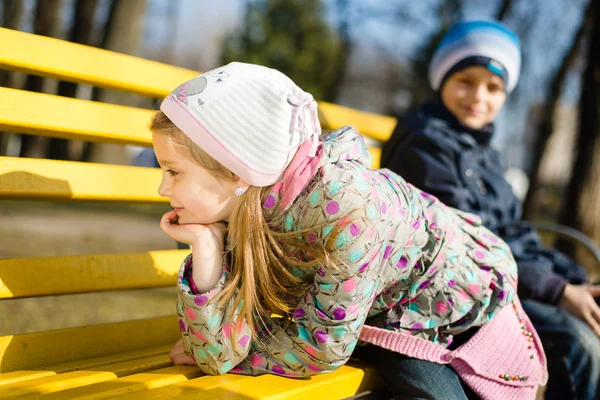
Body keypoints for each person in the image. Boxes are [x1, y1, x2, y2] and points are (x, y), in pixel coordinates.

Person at [151, 61, 546, 399]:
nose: (162, 189)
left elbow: (320, 347)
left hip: (447, 296)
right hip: (368, 305)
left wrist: (240, 354)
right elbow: (218, 354)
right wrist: (206, 247)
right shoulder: (239, 208)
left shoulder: (346, 210)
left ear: (236, 168)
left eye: (173, 171)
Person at [381, 20, 600, 400]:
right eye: (465, 80)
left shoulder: (483, 152)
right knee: (578, 342)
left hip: (494, 279)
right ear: (442, 79)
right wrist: (557, 290)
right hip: (452, 287)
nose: (478, 96)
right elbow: (470, 244)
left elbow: (513, 229)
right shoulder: (425, 144)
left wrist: (571, 278)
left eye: (494, 87)